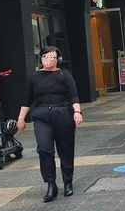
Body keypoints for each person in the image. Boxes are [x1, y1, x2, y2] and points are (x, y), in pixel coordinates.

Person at [17, 46, 82, 202]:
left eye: (52, 57)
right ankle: (51, 184)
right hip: (41, 116)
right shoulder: (33, 77)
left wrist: (77, 112)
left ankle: (68, 182)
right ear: (41, 59)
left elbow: (74, 96)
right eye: (46, 57)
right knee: (44, 149)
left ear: (58, 59)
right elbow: (27, 100)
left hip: (63, 114)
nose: (48, 60)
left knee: (65, 150)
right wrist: (21, 119)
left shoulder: (64, 75)